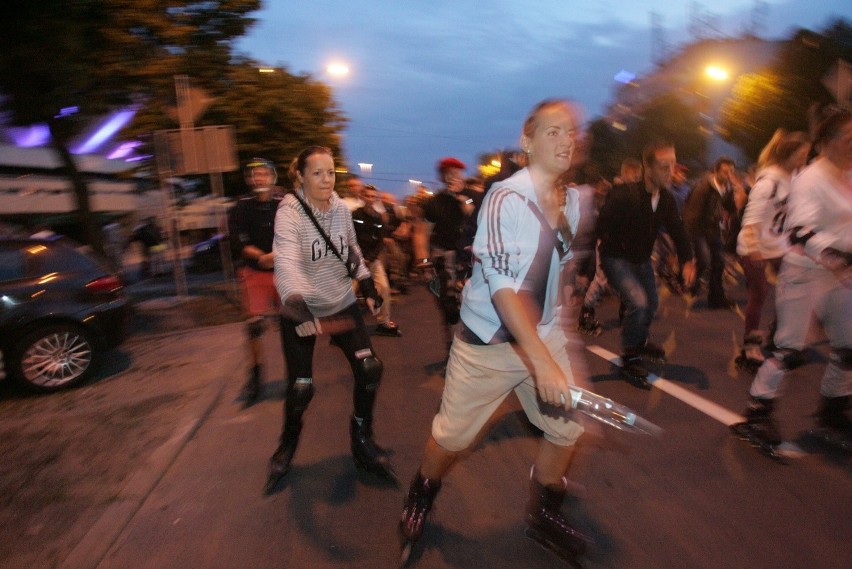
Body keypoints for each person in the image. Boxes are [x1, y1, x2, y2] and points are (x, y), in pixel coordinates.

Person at [399, 99, 593, 565]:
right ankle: (422, 493)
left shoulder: (577, 202)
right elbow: (505, 290)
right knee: (453, 439)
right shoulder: (506, 198)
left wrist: (561, 337)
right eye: (552, 131)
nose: (565, 139)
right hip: (488, 343)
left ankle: (543, 512)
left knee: (566, 428)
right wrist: (542, 361)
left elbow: (557, 274)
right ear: (526, 142)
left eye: (570, 132)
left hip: (542, 335)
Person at [265, 146, 395, 494]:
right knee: (301, 387)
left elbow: (350, 250)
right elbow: (287, 261)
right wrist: (294, 302)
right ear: (301, 177)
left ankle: (362, 438)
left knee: (370, 369)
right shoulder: (289, 212)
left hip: (340, 301)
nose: (326, 180)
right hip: (302, 305)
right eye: (317, 173)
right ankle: (287, 443)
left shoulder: (339, 207)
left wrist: (366, 282)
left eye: (330, 172)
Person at [735, 108, 851, 449]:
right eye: (847, 139)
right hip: (806, 274)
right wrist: (835, 257)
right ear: (827, 144)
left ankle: (833, 408)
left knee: (849, 347)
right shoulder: (810, 179)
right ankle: (757, 413)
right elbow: (800, 231)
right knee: (789, 349)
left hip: (841, 276)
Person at [596, 141, 696, 387]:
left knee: (651, 303)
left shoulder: (667, 200)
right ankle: (630, 355)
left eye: (673, 165)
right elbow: (599, 229)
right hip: (615, 258)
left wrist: (688, 260)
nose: (671, 172)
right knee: (638, 303)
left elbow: (678, 231)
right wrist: (589, 270)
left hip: (640, 260)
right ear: (648, 169)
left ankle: (639, 341)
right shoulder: (623, 195)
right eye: (664, 166)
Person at [734, 130, 811, 372]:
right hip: (754, 244)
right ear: (788, 155)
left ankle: (780, 337)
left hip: (778, 243)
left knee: (797, 286)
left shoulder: (795, 178)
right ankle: (750, 348)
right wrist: (755, 251)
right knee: (759, 294)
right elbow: (750, 222)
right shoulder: (768, 183)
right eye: (802, 155)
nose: (805, 160)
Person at [228, 157, 283, 407]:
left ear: (273, 177)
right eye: (255, 175)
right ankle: (256, 377)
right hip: (254, 271)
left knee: (292, 324)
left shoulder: (283, 205)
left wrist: (278, 254)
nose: (260, 178)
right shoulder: (241, 206)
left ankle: (298, 373)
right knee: (253, 326)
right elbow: (238, 242)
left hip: (284, 272)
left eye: (264, 174)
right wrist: (260, 256)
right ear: (250, 179)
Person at [413, 156, 480, 356]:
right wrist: (425, 264)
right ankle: (453, 345)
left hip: (471, 258)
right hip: (445, 259)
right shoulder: (434, 203)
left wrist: (464, 199)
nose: (452, 177)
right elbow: (420, 234)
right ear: (442, 176)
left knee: (474, 305)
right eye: (448, 173)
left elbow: (478, 214)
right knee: (450, 308)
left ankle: (470, 349)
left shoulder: (473, 196)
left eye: (456, 173)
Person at [683, 157, 744, 309]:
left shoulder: (726, 188)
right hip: (698, 229)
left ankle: (716, 298)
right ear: (716, 171)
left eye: (731, 171)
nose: (729, 175)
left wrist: (738, 192)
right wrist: (688, 244)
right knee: (704, 259)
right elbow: (691, 215)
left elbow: (729, 208)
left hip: (712, 229)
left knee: (719, 262)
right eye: (725, 172)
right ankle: (691, 283)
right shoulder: (703, 188)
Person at [352, 183, 402, 336]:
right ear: (361, 197)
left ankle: (384, 323)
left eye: (373, 196)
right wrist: (359, 258)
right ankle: (344, 328)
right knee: (350, 292)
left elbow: (380, 241)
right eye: (367, 195)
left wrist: (370, 259)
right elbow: (349, 237)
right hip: (355, 260)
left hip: (372, 261)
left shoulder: (378, 217)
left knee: (384, 288)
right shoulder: (354, 215)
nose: (370, 199)